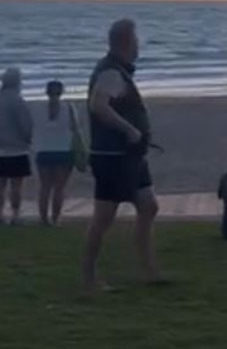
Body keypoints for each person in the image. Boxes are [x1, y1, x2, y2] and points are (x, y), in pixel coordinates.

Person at [82, 18, 161, 292]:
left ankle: (149, 271)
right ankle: (89, 276)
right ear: (126, 43)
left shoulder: (119, 72)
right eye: (136, 40)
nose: (139, 45)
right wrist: (130, 130)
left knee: (149, 206)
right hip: (113, 156)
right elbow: (98, 106)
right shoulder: (110, 73)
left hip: (132, 157)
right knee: (104, 218)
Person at [0, 68, 33, 225]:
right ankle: (15, 215)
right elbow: (25, 124)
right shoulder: (17, 100)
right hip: (17, 147)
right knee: (16, 184)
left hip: (0, 147)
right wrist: (28, 138)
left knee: (1, 182)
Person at [35, 80, 79, 226]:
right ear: (61, 92)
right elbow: (75, 128)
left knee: (45, 187)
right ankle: (55, 218)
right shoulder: (69, 107)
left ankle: (43, 219)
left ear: (46, 92)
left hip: (44, 150)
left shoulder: (38, 108)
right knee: (59, 187)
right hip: (63, 150)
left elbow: (33, 127)